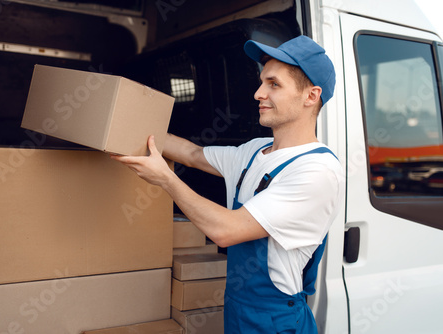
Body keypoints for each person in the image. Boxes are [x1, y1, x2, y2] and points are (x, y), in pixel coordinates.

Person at [111, 35, 345, 334]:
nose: (259, 93)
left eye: (274, 84)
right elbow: (193, 154)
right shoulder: (255, 150)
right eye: (261, 82)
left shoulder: (316, 171)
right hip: (238, 308)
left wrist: (166, 179)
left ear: (311, 96)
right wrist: (120, 123)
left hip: (274, 321)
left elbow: (227, 231)